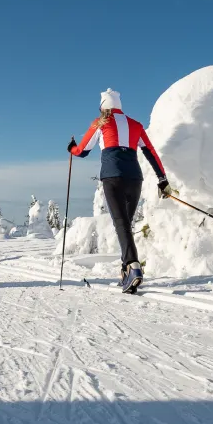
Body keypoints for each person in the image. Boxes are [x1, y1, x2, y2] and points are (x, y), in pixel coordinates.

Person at [67, 89, 169, 293]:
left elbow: (83, 151)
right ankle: (126, 271)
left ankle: (133, 266)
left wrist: (72, 148)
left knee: (121, 224)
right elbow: (150, 152)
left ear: (103, 106)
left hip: (113, 178)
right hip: (134, 179)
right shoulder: (136, 125)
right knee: (125, 225)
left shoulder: (100, 123)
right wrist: (162, 179)